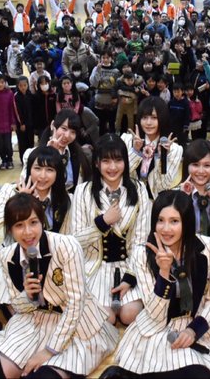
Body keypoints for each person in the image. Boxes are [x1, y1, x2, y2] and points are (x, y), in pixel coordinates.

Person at [0, 193, 118, 379]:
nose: (28, 232)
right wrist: (27, 295)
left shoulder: (66, 245)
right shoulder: (7, 256)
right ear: (10, 230)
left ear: (42, 222)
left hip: (74, 322)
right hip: (35, 320)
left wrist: (49, 350)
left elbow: (75, 304)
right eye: (19, 225)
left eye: (33, 222)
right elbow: (19, 308)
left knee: (43, 376)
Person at [108, 190, 210, 378]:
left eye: (174, 221)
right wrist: (164, 274)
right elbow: (156, 315)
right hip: (156, 332)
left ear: (186, 222)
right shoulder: (142, 253)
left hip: (196, 327)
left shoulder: (209, 247)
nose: (165, 229)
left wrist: (193, 330)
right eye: (160, 220)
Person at [69, 134, 151, 325]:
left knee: (130, 315)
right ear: (96, 163)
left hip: (130, 265)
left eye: (118, 160)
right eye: (106, 161)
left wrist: (130, 278)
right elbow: (76, 241)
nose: (112, 167)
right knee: (107, 319)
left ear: (126, 162)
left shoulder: (139, 189)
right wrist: (102, 222)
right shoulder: (82, 191)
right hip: (95, 267)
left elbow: (141, 240)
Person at [0, 147, 71, 312]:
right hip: (12, 260)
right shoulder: (11, 190)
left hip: (48, 260)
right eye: (37, 168)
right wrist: (18, 202)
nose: (42, 176)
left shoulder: (65, 199)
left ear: (58, 173)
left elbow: (66, 238)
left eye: (49, 170)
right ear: (29, 169)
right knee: (18, 308)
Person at [122, 96, 183, 199]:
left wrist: (162, 157)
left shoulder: (175, 149)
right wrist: (135, 151)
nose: (148, 123)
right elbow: (120, 174)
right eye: (144, 117)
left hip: (155, 202)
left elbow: (163, 186)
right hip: (129, 200)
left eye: (154, 118)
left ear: (162, 119)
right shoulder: (126, 140)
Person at [20, 110, 92, 192]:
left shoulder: (77, 156)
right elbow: (26, 183)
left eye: (73, 132)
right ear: (52, 125)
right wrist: (50, 153)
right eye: (64, 128)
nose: (67, 135)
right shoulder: (31, 154)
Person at [14, 76, 35, 165]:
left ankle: (30, 159)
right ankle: (23, 160)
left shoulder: (30, 95)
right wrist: (21, 123)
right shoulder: (16, 97)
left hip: (30, 123)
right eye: (21, 85)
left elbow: (33, 110)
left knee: (30, 141)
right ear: (17, 86)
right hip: (21, 125)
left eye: (25, 85)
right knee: (22, 143)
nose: (23, 87)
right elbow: (17, 111)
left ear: (27, 85)